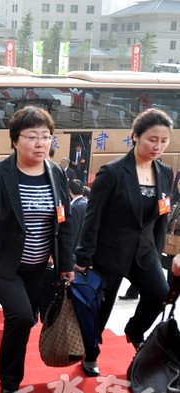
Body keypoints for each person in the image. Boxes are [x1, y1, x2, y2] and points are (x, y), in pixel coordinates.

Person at [0, 105, 74, 393]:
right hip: (3, 265)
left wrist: (66, 263)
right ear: (15, 140)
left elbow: (64, 221)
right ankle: (10, 380)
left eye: (46, 136)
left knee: (24, 321)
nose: (40, 143)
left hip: (38, 266)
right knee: (22, 317)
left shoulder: (56, 173)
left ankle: (9, 374)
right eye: (32, 136)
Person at [75, 108, 174, 377]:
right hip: (110, 253)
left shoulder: (165, 172)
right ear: (135, 136)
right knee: (101, 309)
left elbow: (162, 216)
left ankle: (134, 330)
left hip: (145, 252)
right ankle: (90, 354)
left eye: (164, 141)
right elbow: (92, 218)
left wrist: (157, 251)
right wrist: (84, 257)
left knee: (160, 294)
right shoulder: (113, 172)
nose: (158, 146)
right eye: (152, 139)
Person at [69, 179, 88, 250]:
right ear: (83, 190)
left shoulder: (74, 207)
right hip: (85, 244)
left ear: (70, 191)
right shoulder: (88, 203)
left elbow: (74, 230)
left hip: (75, 248)